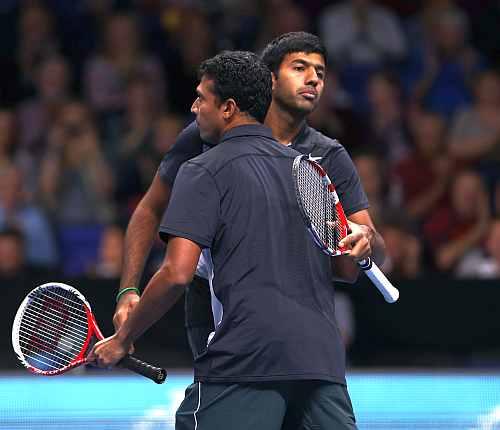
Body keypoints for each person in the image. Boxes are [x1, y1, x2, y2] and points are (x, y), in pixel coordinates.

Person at [90, 49, 359, 430]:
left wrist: (123, 338)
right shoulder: (308, 170)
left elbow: (178, 273)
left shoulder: (202, 170)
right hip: (322, 362)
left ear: (228, 108)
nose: (194, 106)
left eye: (202, 98)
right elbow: (347, 268)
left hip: (246, 360)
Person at [112, 32, 385, 360]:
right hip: (215, 297)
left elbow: (370, 252)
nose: (313, 78)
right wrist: (128, 289)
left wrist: (366, 238)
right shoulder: (207, 133)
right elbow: (149, 210)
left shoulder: (330, 154)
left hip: (300, 298)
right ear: (270, 80)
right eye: (300, 68)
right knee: (223, 398)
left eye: (320, 73)